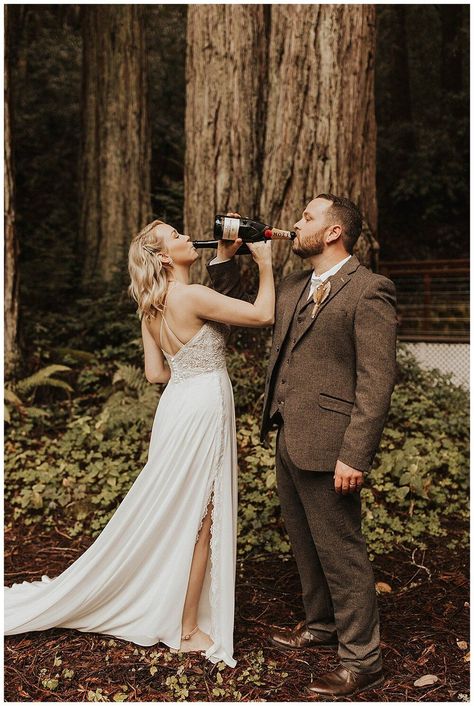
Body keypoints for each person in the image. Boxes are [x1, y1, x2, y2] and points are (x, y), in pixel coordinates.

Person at [4, 219, 275, 669]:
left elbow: (156, 374)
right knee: (202, 518)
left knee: (182, 510)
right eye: (176, 235)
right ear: (166, 257)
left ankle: (174, 608)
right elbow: (263, 315)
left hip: (176, 409)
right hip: (203, 406)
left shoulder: (152, 307)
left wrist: (191, 358)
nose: (188, 236)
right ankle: (187, 629)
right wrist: (265, 264)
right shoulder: (190, 296)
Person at [207, 195, 398, 695]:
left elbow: (377, 382)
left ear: (334, 231)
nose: (295, 224)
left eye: (308, 218)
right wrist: (228, 257)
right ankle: (321, 625)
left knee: (341, 549)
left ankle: (362, 658)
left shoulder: (369, 290)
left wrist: (355, 454)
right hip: (289, 434)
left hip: (332, 443)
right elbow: (233, 312)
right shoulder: (293, 285)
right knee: (305, 541)